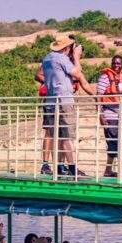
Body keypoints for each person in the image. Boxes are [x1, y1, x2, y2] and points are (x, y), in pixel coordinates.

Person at [42, 35, 96, 177]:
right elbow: (77, 74)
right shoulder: (62, 58)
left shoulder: (47, 58)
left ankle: (60, 166)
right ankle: (72, 168)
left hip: (51, 102)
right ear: (66, 48)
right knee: (67, 136)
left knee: (58, 137)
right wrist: (77, 57)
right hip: (63, 102)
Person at [96, 55, 122, 178]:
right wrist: (100, 115)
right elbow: (98, 97)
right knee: (116, 142)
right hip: (109, 114)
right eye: (114, 63)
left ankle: (108, 170)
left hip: (120, 115)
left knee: (114, 143)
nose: (116, 66)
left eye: (119, 63)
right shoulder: (105, 78)